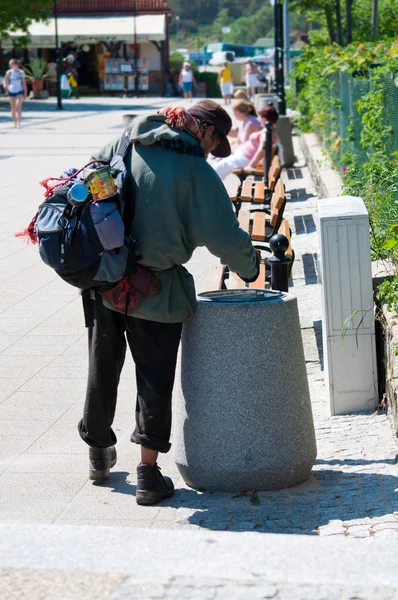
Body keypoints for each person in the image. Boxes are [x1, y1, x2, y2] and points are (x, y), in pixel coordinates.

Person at [78, 100, 260, 506]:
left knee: (101, 365)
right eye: (216, 146)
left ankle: (98, 454)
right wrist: (250, 267)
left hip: (104, 280)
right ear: (209, 133)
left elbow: (88, 175)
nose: (212, 153)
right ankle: (148, 473)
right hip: (155, 290)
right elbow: (224, 236)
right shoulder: (196, 170)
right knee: (154, 378)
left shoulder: (128, 140)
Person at [212, 104, 279, 181]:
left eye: (261, 117)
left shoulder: (267, 132)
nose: (260, 119)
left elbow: (263, 148)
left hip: (245, 159)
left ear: (265, 118)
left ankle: (212, 190)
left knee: (215, 170)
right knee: (217, 168)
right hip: (242, 156)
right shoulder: (270, 130)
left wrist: (251, 165)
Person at [3, 59, 27, 129]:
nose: (10, 65)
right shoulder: (9, 72)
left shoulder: (21, 72)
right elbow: (5, 79)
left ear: (16, 64)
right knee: (13, 108)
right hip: (11, 91)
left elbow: (24, 83)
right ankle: (15, 122)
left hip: (19, 91)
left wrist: (25, 93)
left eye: (11, 64)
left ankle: (19, 123)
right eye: (9, 64)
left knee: (18, 106)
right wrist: (5, 85)